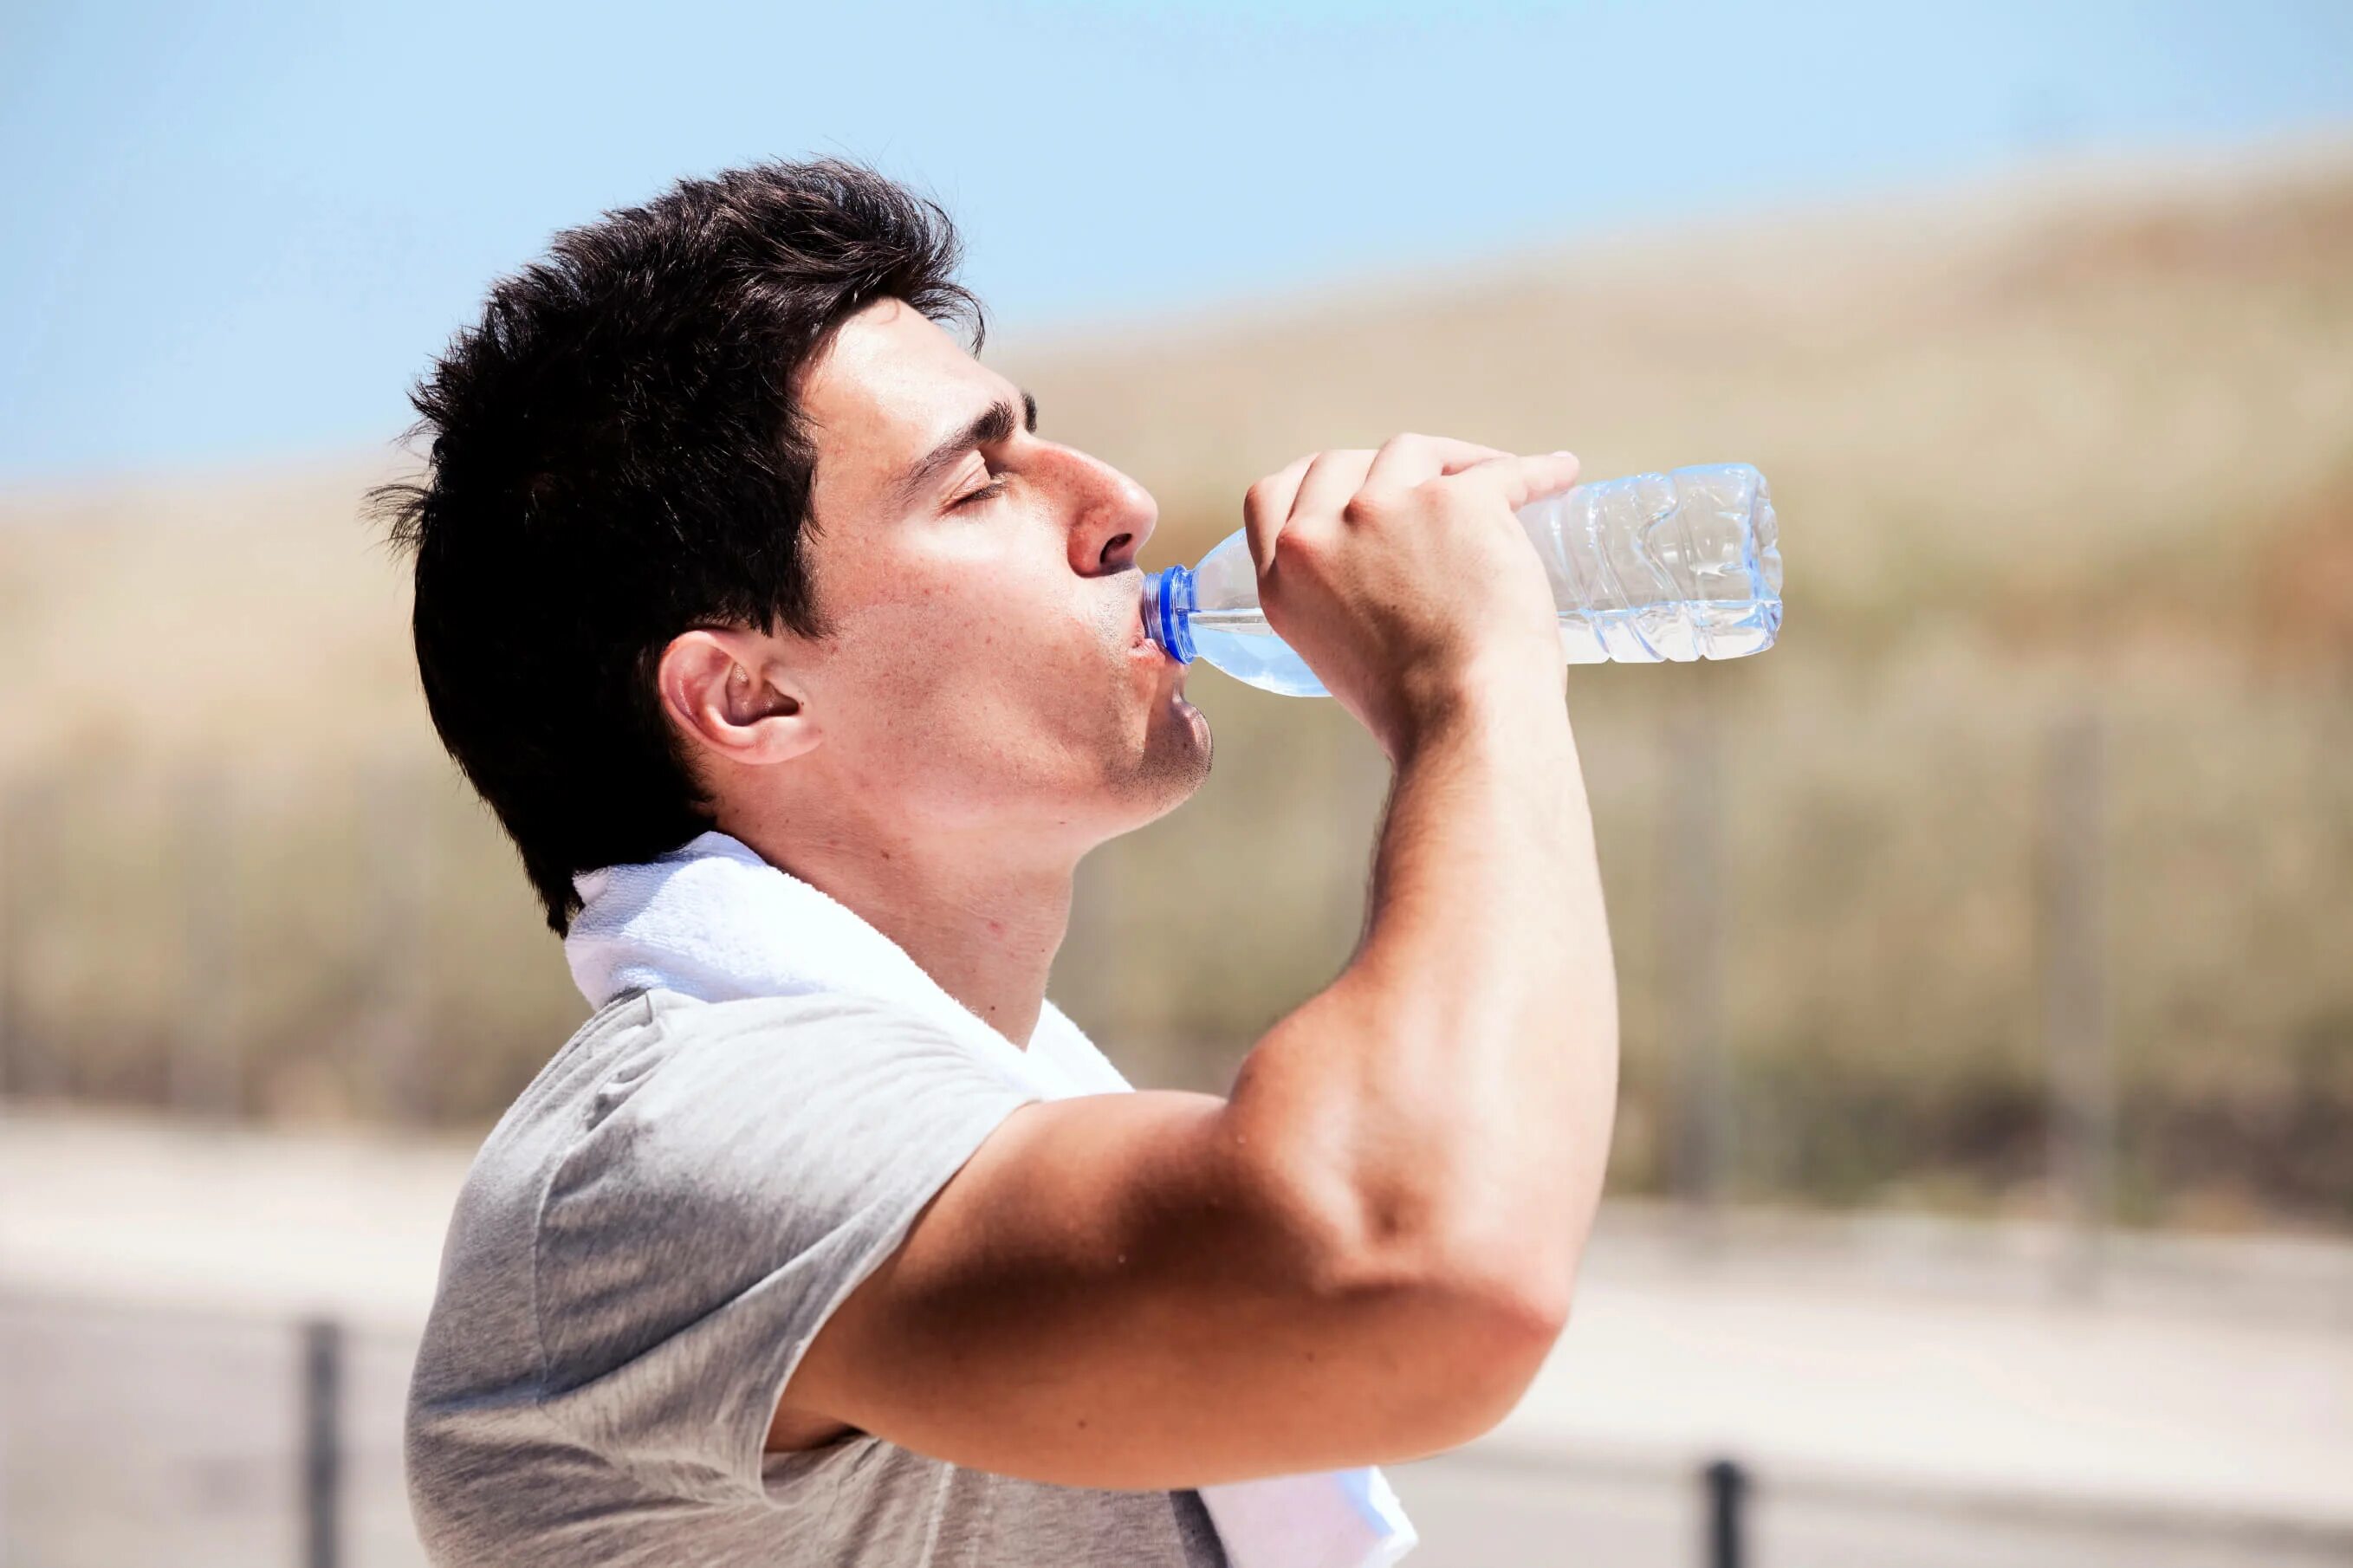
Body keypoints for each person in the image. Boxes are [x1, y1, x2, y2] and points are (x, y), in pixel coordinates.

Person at [377, 158, 1617, 1567]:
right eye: (978, 484)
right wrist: (1473, 683)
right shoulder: (673, 1151)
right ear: (750, 697)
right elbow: (1415, 1264)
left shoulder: (979, 1108)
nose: (1124, 503)